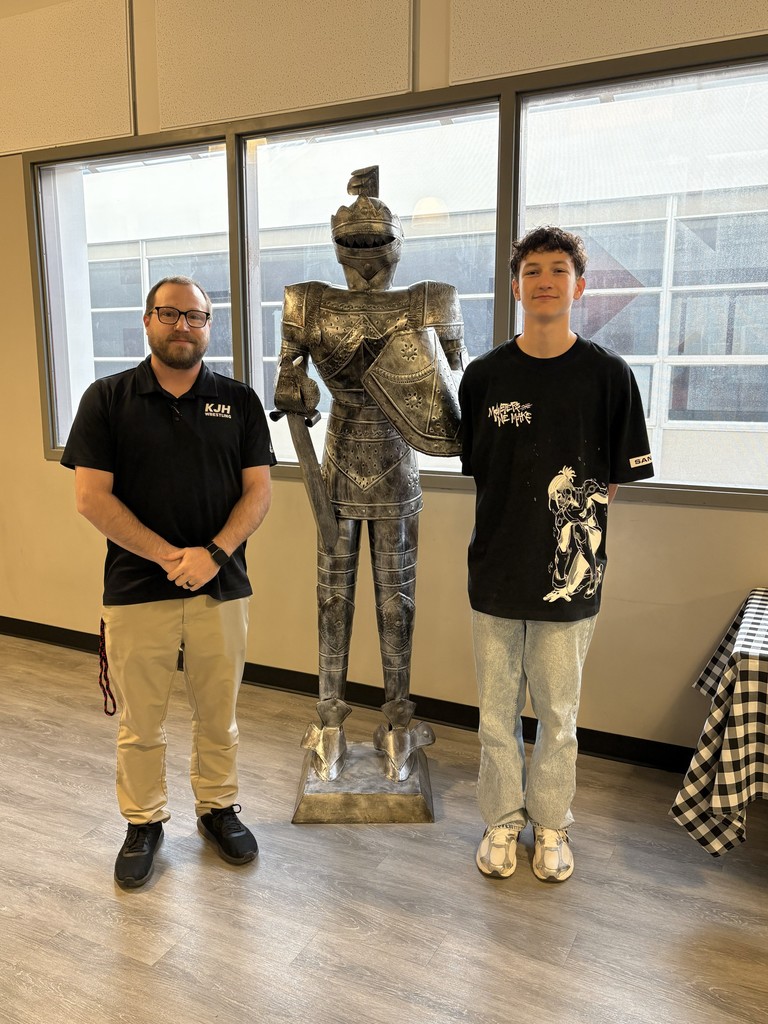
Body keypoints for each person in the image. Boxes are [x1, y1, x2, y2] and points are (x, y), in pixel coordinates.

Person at [62, 275, 275, 889]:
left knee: (219, 712)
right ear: (147, 321)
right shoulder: (107, 399)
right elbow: (89, 498)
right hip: (135, 588)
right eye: (170, 314)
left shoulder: (237, 401)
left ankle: (217, 809)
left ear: (209, 326)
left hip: (221, 584)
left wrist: (212, 553)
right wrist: (167, 557)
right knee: (140, 721)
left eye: (197, 317)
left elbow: (259, 492)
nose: (184, 325)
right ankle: (144, 820)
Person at [458, 226, 654, 882]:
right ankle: (501, 823)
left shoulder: (608, 376)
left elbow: (613, 482)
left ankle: (551, 826)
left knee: (559, 717)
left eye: (559, 269)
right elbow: (484, 473)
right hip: (493, 574)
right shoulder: (484, 378)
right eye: (532, 269)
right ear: (515, 286)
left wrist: (575, 545)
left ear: (580, 286)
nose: (545, 279)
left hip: (568, 584)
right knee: (494, 715)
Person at [273, 166, 467, 783]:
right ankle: (330, 718)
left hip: (396, 460)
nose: (365, 258)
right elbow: (288, 383)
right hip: (335, 461)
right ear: (337, 248)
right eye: (353, 246)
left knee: (394, 601)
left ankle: (397, 720)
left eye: (372, 244)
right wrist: (295, 390)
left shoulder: (429, 300)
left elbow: (451, 387)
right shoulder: (306, 301)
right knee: (335, 596)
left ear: (394, 245)